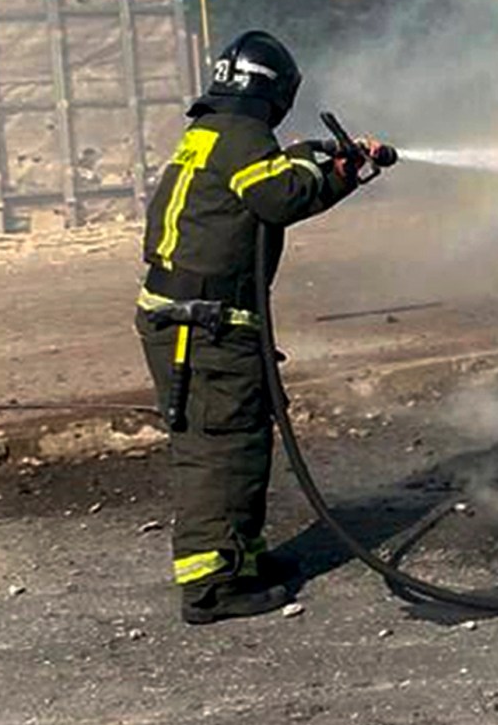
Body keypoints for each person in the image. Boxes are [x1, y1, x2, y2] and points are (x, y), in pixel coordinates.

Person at [136, 31, 390, 625]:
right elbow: (281, 197)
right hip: (201, 325)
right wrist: (334, 170)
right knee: (216, 446)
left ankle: (240, 558)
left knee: (242, 439)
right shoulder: (244, 136)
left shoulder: (214, 132)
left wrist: (336, 166)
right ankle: (210, 587)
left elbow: (272, 184)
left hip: (202, 319)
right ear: (275, 92)